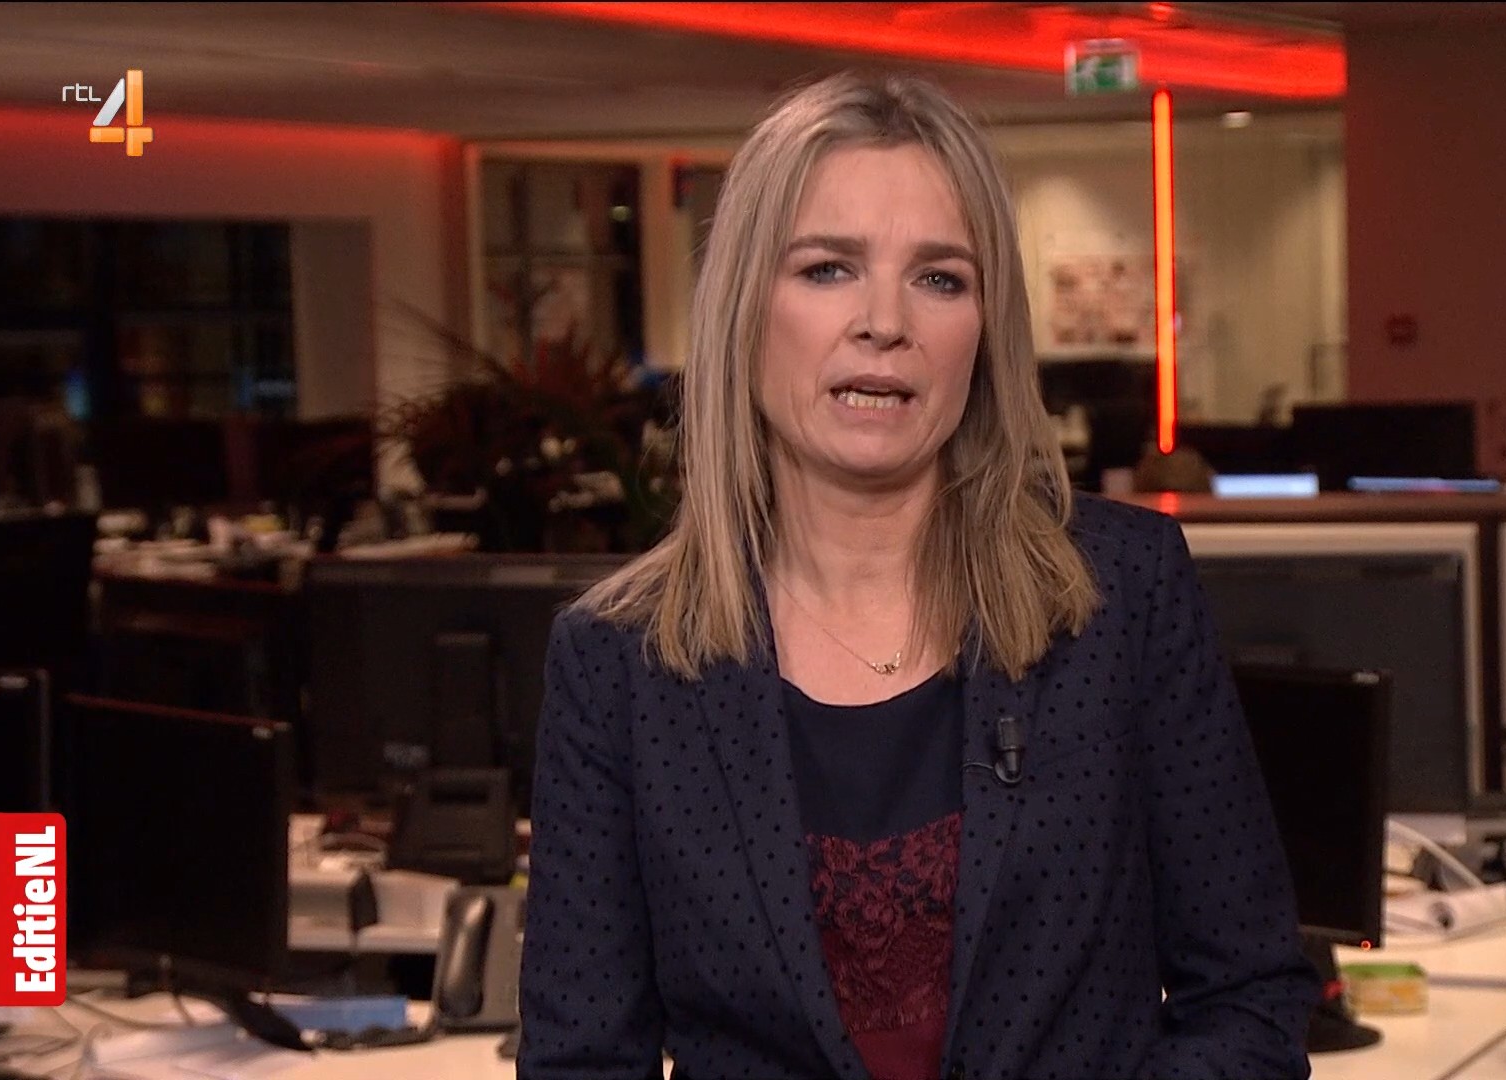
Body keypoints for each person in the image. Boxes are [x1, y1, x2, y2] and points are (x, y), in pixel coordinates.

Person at [517, 73, 1316, 1080]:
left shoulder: (1124, 592)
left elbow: (1249, 1001)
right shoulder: (617, 661)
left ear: (983, 329)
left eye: (940, 278)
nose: (884, 321)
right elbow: (582, 1062)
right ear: (743, 307)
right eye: (827, 269)